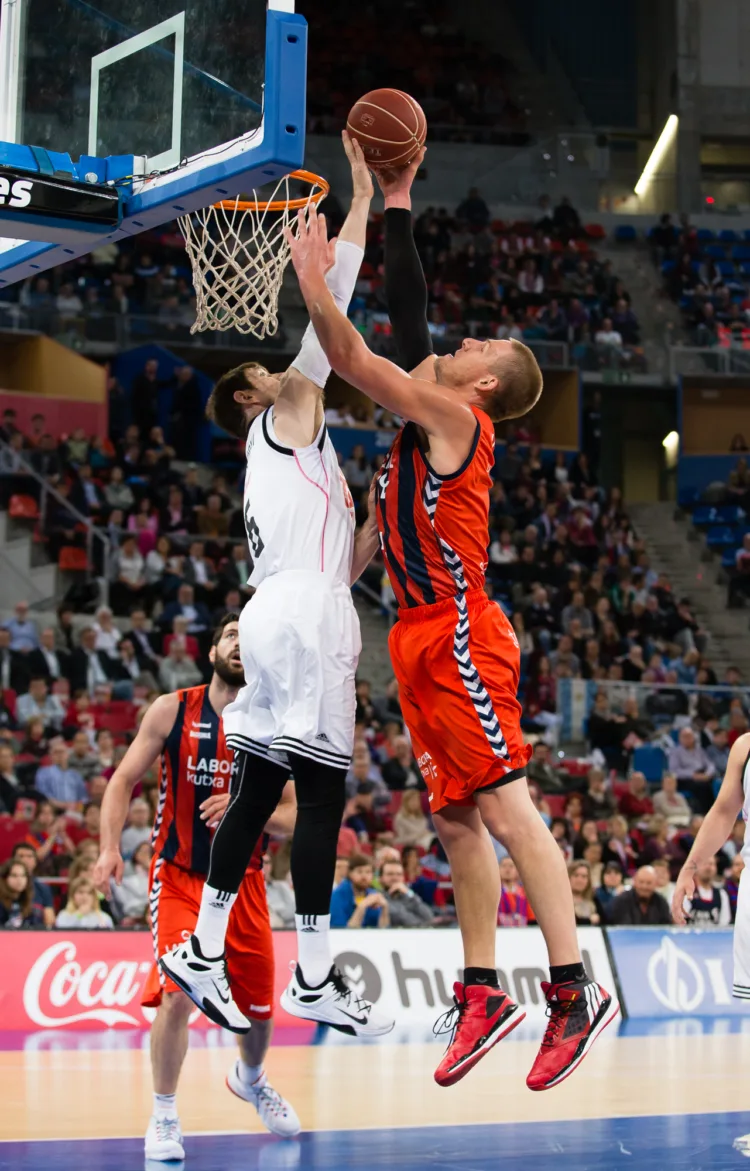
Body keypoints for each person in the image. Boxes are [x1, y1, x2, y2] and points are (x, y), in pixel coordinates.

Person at [286, 150, 617, 1091]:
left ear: (481, 388)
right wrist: (395, 203)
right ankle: (482, 992)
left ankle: (571, 991)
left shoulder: (458, 422)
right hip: (414, 638)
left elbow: (355, 352)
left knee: (509, 808)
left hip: (459, 629)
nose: (464, 343)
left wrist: (315, 287)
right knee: (459, 824)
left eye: (480, 351)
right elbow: (411, 318)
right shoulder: (431, 411)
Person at [161, 134, 393, 1041]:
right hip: (302, 615)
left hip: (288, 607)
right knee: (325, 794)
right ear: (255, 398)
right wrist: (365, 200)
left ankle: (204, 948)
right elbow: (330, 320)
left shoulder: (299, 458)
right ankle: (313, 975)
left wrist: (372, 526)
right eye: (264, 373)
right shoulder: (286, 413)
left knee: (260, 789)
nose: (276, 368)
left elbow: (348, 565)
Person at [93, 614, 300, 1160]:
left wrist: (246, 812)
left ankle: (250, 1079)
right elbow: (122, 780)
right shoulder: (171, 709)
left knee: (258, 1011)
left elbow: (296, 815)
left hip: (246, 884)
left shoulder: (274, 721)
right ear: (212, 650)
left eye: (247, 638)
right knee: (179, 993)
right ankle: (163, 1115)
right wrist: (109, 848)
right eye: (230, 634)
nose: (239, 643)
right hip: (181, 877)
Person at [329, 853, 390, 928]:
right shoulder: (336, 897)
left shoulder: (373, 894)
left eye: (368, 872)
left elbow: (384, 931)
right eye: (359, 871)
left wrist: (384, 908)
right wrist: (362, 906)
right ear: (350, 873)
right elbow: (342, 933)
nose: (364, 876)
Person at [9, 842, 55, 927]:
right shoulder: (3, 886)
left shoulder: (43, 888)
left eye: (30, 856)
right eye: (21, 856)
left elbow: (50, 921)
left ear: (35, 861)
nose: (25, 860)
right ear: (13, 860)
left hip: (35, 934)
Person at [380, 856, 434, 927]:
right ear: (381, 878)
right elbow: (401, 919)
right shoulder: (379, 898)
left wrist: (409, 893)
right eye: (390, 874)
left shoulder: (409, 894)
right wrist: (421, 923)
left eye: (399, 874)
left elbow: (429, 917)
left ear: (403, 877)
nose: (395, 878)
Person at [0, 859, 45, 928]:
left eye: (23, 875)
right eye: (14, 875)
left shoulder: (31, 900)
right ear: (4, 878)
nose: (19, 880)